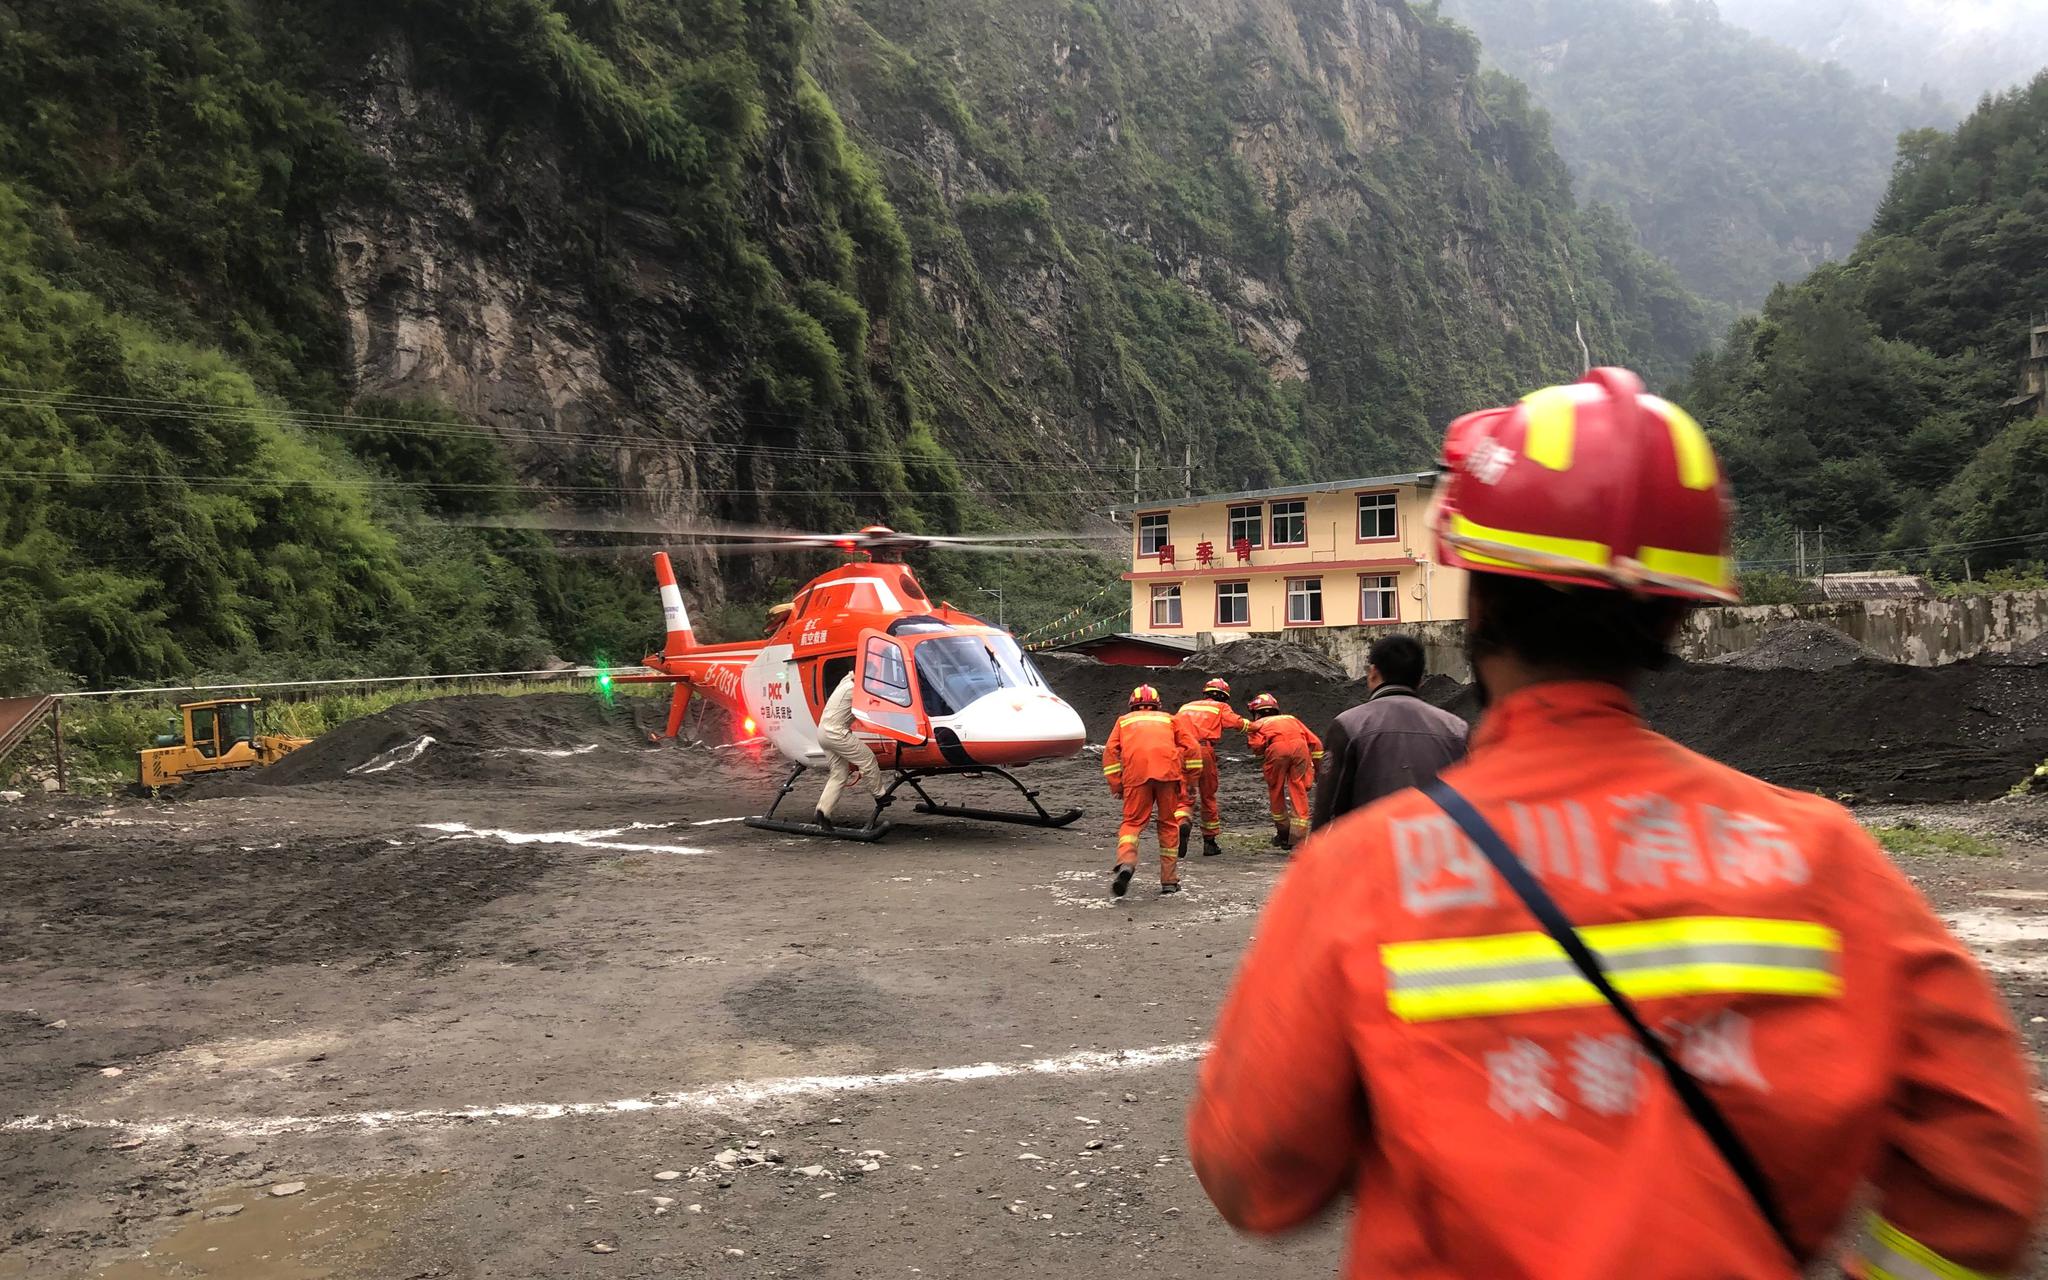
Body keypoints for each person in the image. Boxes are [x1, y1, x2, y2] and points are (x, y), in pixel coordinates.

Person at [1187, 368, 2044, 1278]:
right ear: (1675, 613)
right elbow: (1986, 1167)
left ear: (1479, 598)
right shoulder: (1823, 858)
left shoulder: (1364, 871)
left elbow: (1256, 1176)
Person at [1310, 633, 1468, 829]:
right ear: (1420, 680)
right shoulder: (1456, 728)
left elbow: (1327, 809)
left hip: (1371, 850)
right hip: (1436, 851)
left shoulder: (1348, 725)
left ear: (1373, 673)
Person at [1103, 684, 1205, 896]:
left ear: (1133, 705)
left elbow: (1110, 752)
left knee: (1132, 823)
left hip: (1136, 778)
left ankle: (1127, 863)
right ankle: (1169, 881)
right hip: (1168, 776)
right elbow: (1193, 747)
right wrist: (1192, 780)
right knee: (1168, 825)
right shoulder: (1170, 719)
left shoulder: (1123, 721)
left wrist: (1116, 783)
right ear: (1157, 704)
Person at [1175, 677, 1245, 857]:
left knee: (1185, 793)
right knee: (1208, 795)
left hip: (1181, 750)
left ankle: (1182, 820)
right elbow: (1237, 723)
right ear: (1223, 696)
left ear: (1205, 693)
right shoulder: (1220, 707)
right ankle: (1209, 842)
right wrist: (1256, 726)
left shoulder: (1186, 707)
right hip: (1203, 750)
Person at [1243, 693, 1322, 850]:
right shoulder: (1291, 719)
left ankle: (1283, 833)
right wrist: (1319, 770)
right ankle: (1298, 838)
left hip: (1276, 749)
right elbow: (1316, 743)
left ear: (1256, 712)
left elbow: (1257, 747)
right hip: (1301, 748)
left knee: (1276, 789)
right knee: (1298, 789)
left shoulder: (1257, 725)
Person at [814, 670, 884, 830]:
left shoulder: (845, 682)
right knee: (867, 758)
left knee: (839, 774)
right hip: (836, 733)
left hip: (823, 732)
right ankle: (880, 795)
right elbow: (873, 704)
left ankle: (822, 812)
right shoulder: (854, 689)